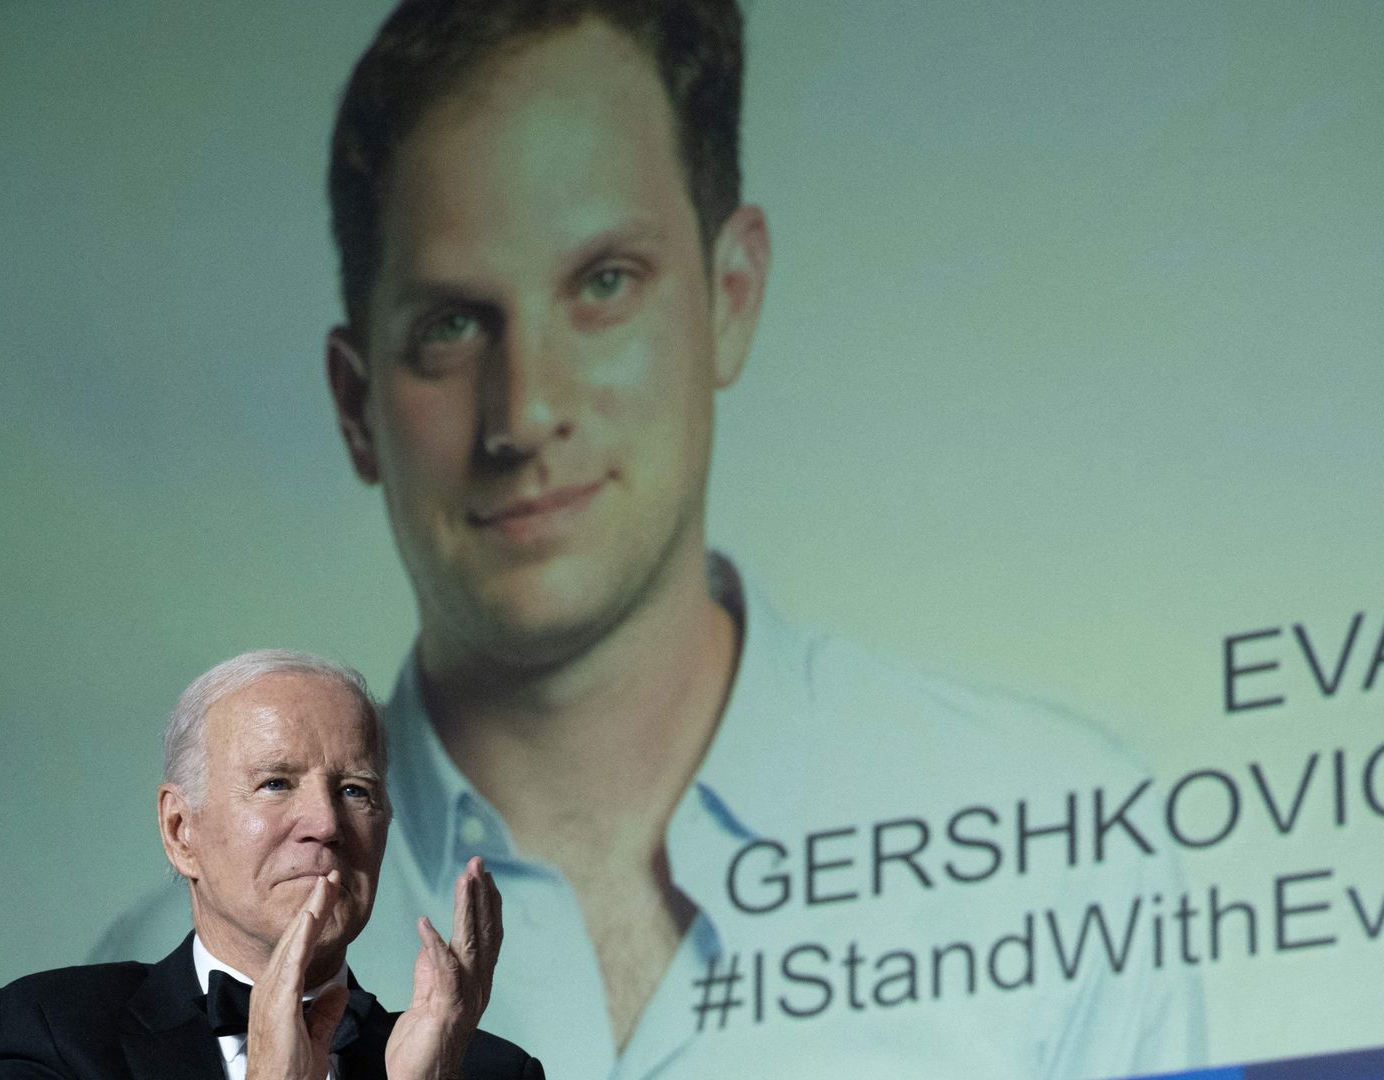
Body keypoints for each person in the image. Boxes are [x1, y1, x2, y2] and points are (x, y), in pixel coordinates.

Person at [99, 2, 1205, 1075]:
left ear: (732, 294)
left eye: (604, 283)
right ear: (355, 401)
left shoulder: (1067, 855)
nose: (526, 414)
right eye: (449, 324)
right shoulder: (129, 1006)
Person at [0, 650, 543, 1079]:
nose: (324, 823)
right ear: (181, 832)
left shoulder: (488, 1072)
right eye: (275, 784)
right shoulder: (52, 1032)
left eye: (354, 790)